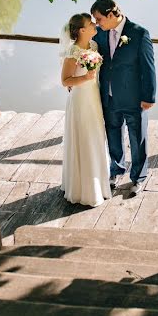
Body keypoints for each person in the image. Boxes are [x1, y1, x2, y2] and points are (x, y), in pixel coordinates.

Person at [91, 0, 156, 196]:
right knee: (113, 134)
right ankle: (116, 169)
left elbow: (148, 67)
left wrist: (149, 97)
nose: (96, 23)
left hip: (133, 97)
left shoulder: (139, 33)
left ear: (111, 15)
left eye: (99, 18)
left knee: (138, 139)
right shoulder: (100, 34)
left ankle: (138, 177)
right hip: (108, 97)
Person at [59, 13, 111, 206]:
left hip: (93, 97)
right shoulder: (73, 51)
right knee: (84, 137)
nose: (94, 25)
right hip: (80, 99)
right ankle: (83, 189)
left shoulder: (93, 46)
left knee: (95, 136)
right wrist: (85, 79)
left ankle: (98, 182)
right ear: (82, 30)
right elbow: (65, 80)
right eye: (91, 24)